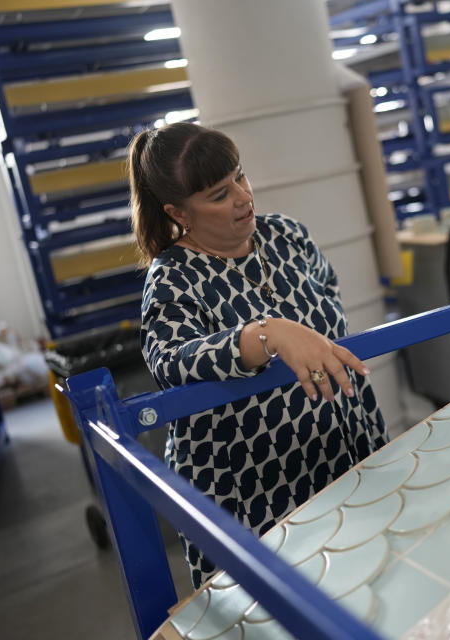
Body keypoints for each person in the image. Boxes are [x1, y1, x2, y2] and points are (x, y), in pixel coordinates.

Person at [129, 122, 388, 589]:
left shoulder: (286, 236)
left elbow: (330, 308)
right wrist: (267, 334)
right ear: (177, 212)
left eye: (241, 178)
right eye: (218, 194)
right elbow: (170, 362)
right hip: (254, 489)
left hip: (342, 451)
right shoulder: (173, 278)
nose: (244, 198)